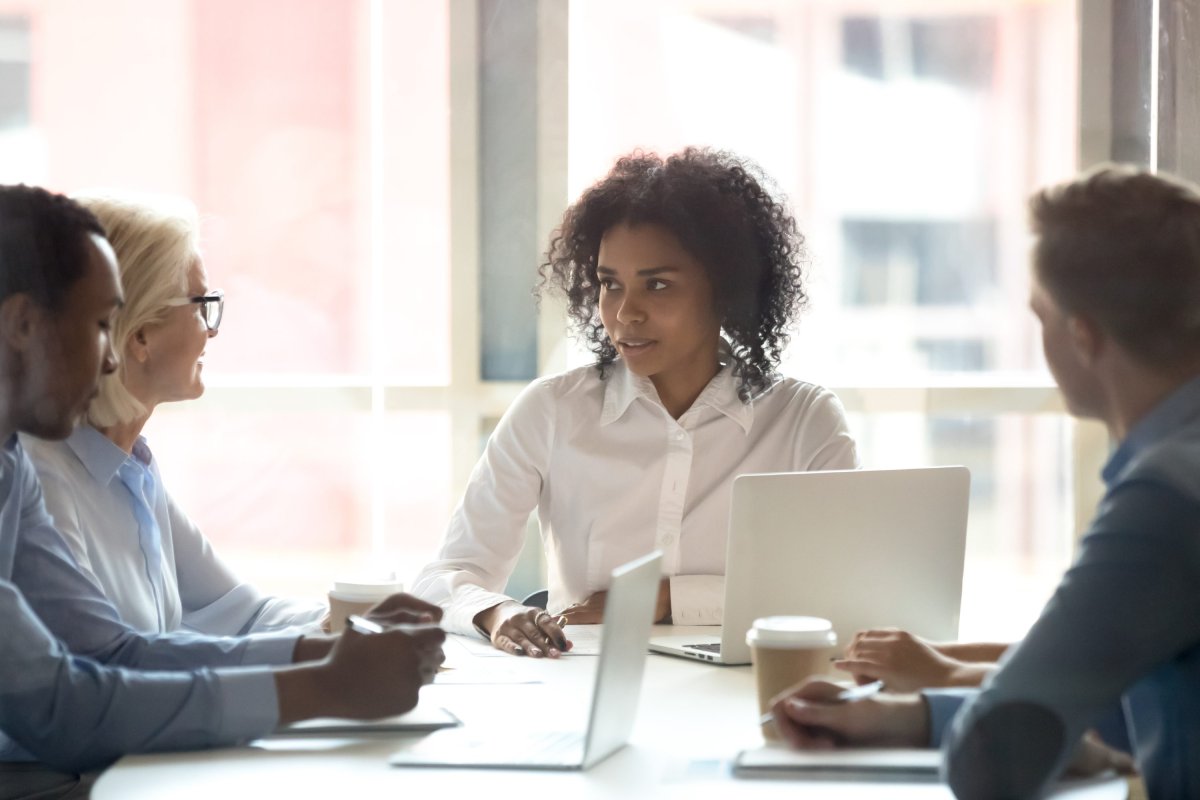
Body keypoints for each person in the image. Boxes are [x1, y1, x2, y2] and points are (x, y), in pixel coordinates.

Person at [0, 184, 445, 797]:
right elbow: (64, 707)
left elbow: (115, 654)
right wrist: (324, 683)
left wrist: (329, 649)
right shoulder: (42, 468)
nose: (110, 360)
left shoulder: (14, 470)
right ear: (23, 324)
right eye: (102, 326)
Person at [770, 165, 1200, 798]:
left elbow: (992, 757)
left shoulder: (1165, 499)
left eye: (1040, 316)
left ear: (1082, 337)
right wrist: (910, 716)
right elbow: (1139, 696)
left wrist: (1016, 731)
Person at [413, 148, 858, 657]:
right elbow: (446, 577)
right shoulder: (552, 411)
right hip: (583, 683)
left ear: (726, 290)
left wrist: (662, 599)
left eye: (658, 285)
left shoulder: (804, 422)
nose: (625, 313)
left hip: (749, 686)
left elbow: (842, 591)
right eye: (610, 284)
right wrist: (499, 613)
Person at [21, 194, 325, 636]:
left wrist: (358, 620)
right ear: (140, 334)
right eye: (202, 306)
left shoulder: (133, 471)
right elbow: (110, 662)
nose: (212, 331)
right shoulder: (42, 478)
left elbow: (242, 614)